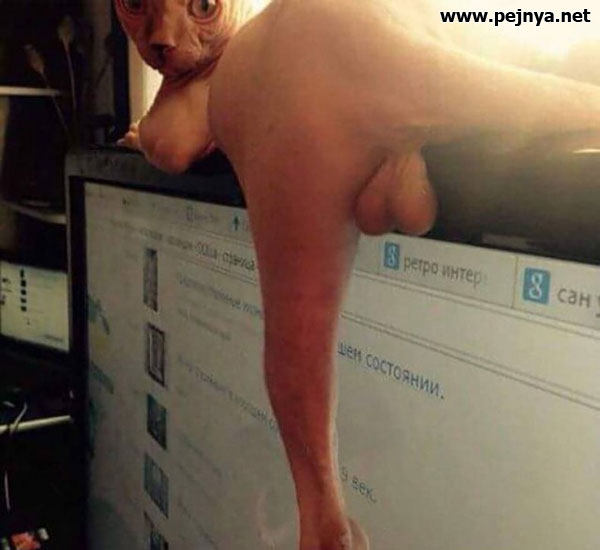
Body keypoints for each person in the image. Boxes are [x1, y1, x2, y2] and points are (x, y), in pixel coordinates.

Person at [116, 1, 600, 548]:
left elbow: (172, 142)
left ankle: (323, 519)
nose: (162, 37)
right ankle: (398, 167)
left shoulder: (246, 63)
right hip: (400, 41)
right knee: (555, 89)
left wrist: (147, 130)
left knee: (299, 333)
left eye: (204, 6)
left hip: (318, 69)